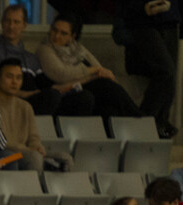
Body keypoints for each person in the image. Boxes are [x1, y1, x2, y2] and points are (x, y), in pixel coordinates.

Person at [0, 3, 92, 117]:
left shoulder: (30, 58)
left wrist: (79, 83)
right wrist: (27, 94)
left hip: (38, 102)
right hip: (10, 102)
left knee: (84, 98)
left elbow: (48, 86)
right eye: (7, 21)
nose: (11, 26)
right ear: (2, 23)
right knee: (51, 97)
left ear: (24, 25)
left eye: (16, 22)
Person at [36, 13, 142, 121]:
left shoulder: (78, 49)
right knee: (104, 85)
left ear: (72, 36)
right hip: (67, 90)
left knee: (109, 109)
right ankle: (140, 118)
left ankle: (136, 123)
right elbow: (61, 74)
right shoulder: (45, 49)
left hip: (86, 86)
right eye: (54, 30)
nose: (57, 36)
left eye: (63, 33)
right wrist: (93, 72)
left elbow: (99, 67)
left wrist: (100, 73)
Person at [0, 58, 74, 172]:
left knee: (65, 158)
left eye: (18, 78)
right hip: (5, 153)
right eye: (9, 77)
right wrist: (29, 150)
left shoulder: (25, 106)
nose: (14, 82)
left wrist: (37, 147)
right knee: (34, 157)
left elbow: (33, 137)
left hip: (27, 152)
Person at [120, 0, 179, 138]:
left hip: (169, 19)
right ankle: (145, 121)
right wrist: (141, 8)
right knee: (166, 71)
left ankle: (160, 121)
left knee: (170, 75)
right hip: (143, 22)